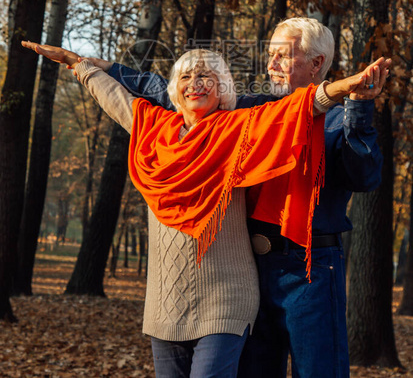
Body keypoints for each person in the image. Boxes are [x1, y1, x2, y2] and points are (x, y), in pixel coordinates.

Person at [22, 39, 389, 378]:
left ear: (223, 89)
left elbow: (302, 107)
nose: (195, 83)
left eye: (207, 76)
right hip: (164, 309)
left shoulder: (239, 131)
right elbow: (115, 95)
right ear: (174, 91)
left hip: (227, 303)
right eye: (186, 76)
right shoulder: (152, 130)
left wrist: (348, 87)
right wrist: (79, 63)